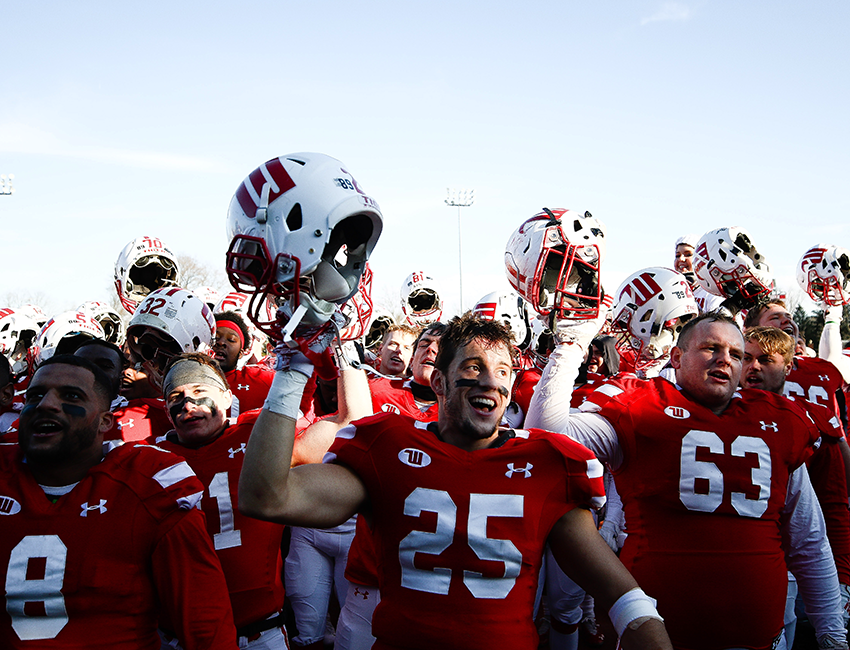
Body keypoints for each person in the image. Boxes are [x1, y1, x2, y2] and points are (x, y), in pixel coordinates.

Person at [239, 312, 672, 650]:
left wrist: (645, 627)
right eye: (474, 366)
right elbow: (267, 496)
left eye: (504, 371)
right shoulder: (388, 448)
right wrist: (293, 368)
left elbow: (621, 595)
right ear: (440, 381)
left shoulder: (546, 462)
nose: (491, 380)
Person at [527, 311, 845, 649]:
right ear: (677, 357)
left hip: (758, 635)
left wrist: (832, 634)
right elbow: (546, 434)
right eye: (711, 348)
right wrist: (571, 346)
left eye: (736, 354)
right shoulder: (641, 406)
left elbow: (809, 541)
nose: (725, 359)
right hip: (657, 636)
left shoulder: (779, 420)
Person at [0, 355, 237, 648]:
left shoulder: (150, 482)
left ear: (105, 421)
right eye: (36, 395)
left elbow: (205, 624)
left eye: (71, 395)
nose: (46, 404)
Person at [150, 353, 330, 648]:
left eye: (199, 392)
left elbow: (344, 428)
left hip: (260, 630)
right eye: (176, 396)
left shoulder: (259, 433)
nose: (188, 405)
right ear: (167, 412)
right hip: (178, 635)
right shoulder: (146, 459)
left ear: (226, 399)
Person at [741, 326, 850, 642]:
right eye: (745, 358)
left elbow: (832, 505)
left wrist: (842, 575)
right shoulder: (704, 409)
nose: (754, 367)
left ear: (789, 366)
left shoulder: (809, 419)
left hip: (782, 569)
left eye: (765, 359)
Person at [212, 312, 274, 416]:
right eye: (216, 337)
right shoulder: (185, 378)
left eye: (231, 340)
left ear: (241, 353)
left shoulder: (263, 379)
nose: (221, 343)